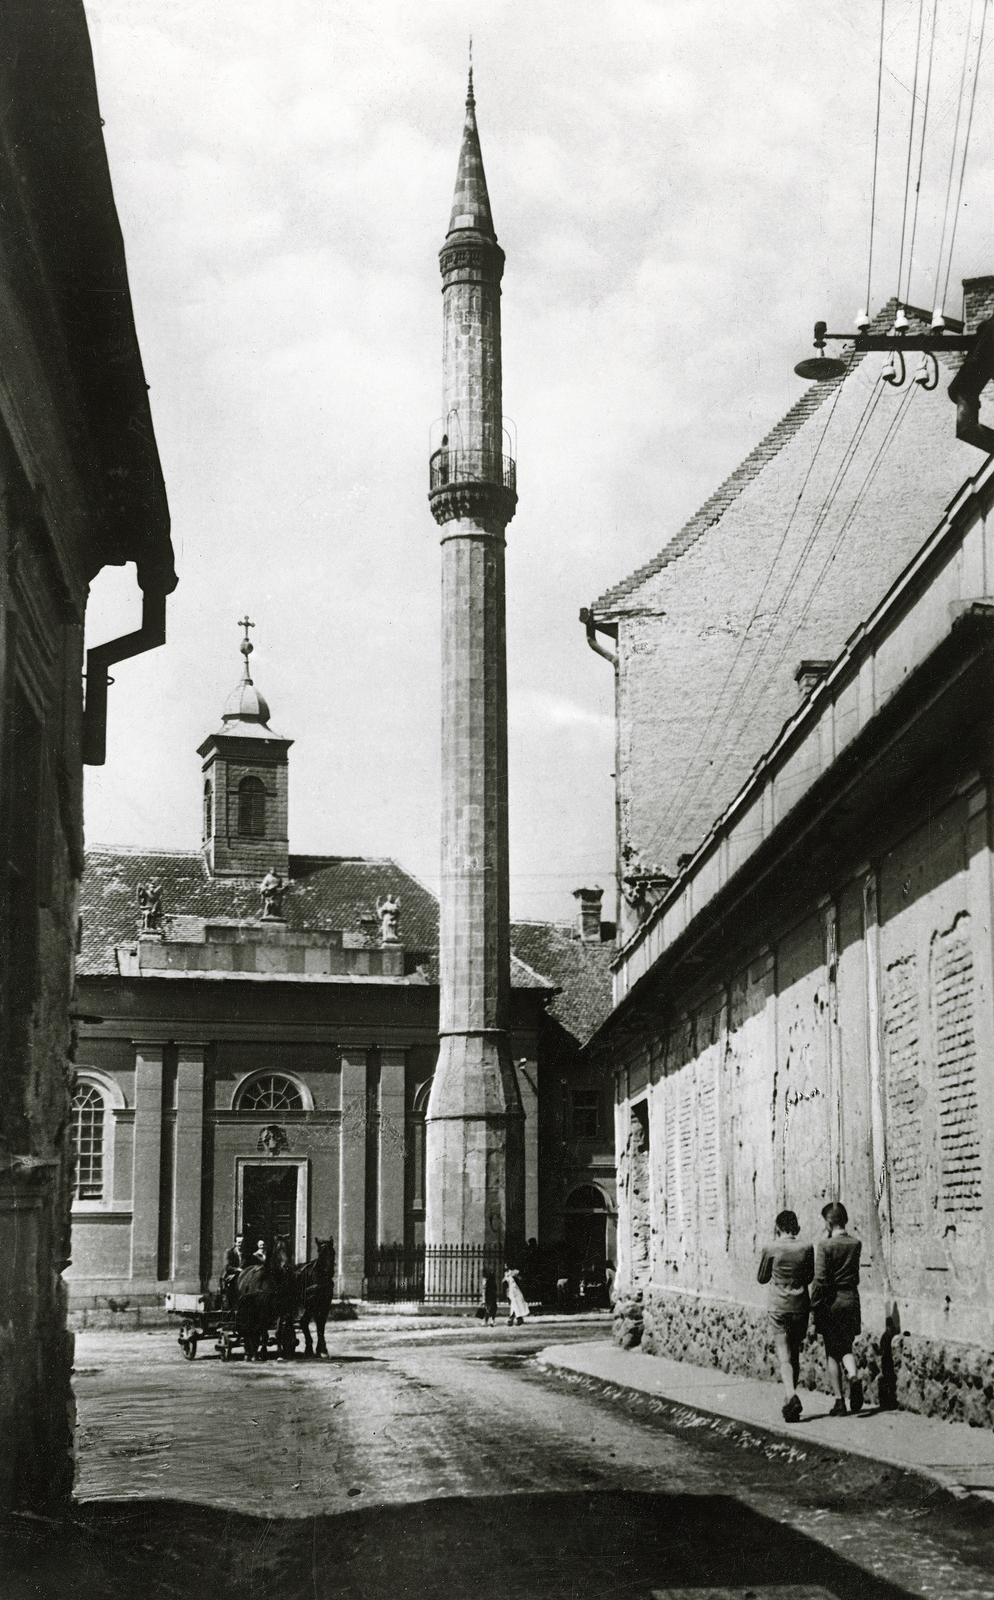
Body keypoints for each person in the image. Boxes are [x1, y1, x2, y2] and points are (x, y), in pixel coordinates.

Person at [757, 1209, 814, 1423]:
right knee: (795, 1352)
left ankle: (791, 1395)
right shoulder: (806, 1247)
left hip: (779, 1306)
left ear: (777, 1227)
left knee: (783, 1354)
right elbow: (809, 1276)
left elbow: (762, 1278)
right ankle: (789, 1401)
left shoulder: (771, 1247)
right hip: (800, 1305)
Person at [812, 1201, 863, 1416]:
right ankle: (853, 1376)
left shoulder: (825, 1246)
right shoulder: (855, 1243)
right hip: (851, 1298)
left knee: (832, 1352)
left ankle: (839, 1401)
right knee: (846, 1346)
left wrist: (814, 1307)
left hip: (831, 1302)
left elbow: (820, 1280)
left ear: (828, 1222)